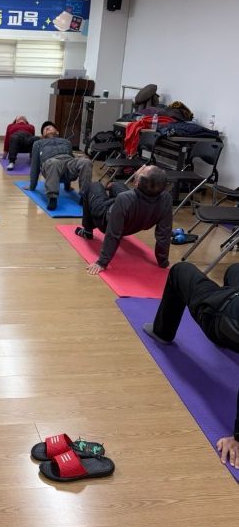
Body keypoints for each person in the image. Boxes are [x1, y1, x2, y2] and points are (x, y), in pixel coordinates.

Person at [142, 261, 239, 468]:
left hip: (219, 315)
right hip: (232, 308)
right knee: (235, 270)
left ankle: (162, 332)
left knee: (180, 271)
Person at [75, 165, 172, 274]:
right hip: (133, 222)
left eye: (144, 169)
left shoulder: (125, 199)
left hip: (105, 219)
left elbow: (113, 233)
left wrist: (102, 262)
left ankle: (87, 232)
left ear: (136, 183)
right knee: (117, 185)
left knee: (94, 186)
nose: (143, 166)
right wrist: (163, 262)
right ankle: (112, 188)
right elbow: (164, 233)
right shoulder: (166, 198)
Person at [29, 121, 93, 210]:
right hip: (51, 163)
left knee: (86, 162)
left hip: (69, 162)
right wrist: (32, 186)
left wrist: (67, 186)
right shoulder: (38, 144)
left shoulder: (66, 142)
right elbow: (34, 165)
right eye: (44, 129)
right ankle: (52, 198)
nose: (47, 128)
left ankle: (84, 197)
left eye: (50, 127)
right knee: (54, 163)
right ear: (42, 136)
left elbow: (71, 157)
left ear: (57, 132)